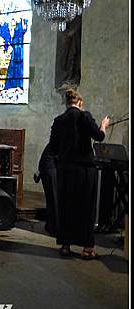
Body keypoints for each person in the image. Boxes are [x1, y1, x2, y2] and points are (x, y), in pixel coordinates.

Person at [48, 89, 110, 259]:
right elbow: (99, 137)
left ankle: (66, 246)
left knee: (66, 206)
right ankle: (87, 249)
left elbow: (53, 148)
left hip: (65, 170)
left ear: (67, 103)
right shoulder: (85, 116)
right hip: (84, 170)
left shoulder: (59, 121)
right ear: (80, 103)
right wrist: (103, 126)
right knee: (86, 207)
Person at [34, 142, 58, 237]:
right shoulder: (65, 134)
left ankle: (51, 226)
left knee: (52, 199)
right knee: (54, 199)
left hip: (48, 167)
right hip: (49, 168)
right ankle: (54, 229)